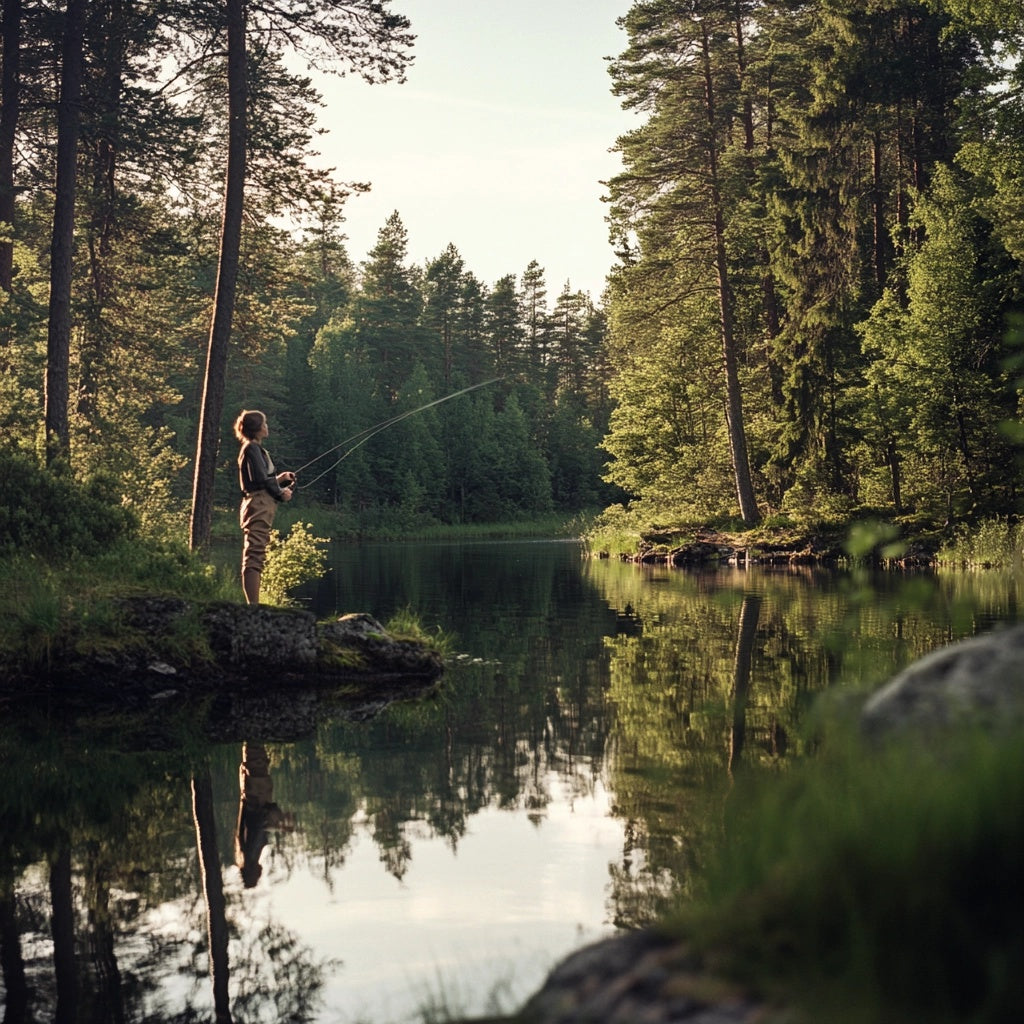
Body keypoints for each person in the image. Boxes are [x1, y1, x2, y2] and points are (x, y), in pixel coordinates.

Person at [235, 409, 295, 605]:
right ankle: (252, 607)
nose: (267, 426)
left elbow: (259, 480)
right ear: (258, 428)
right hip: (258, 505)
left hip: (259, 503)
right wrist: (280, 492)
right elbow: (260, 480)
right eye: (265, 423)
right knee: (255, 554)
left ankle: (253, 605)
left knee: (256, 553)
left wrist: (281, 480)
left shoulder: (253, 448)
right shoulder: (251, 447)